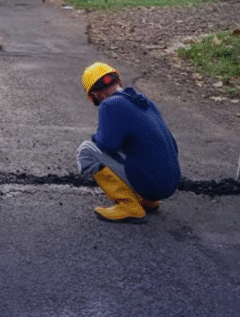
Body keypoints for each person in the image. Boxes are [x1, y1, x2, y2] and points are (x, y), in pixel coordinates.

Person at [76, 63, 181, 222]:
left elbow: (107, 145)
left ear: (97, 95)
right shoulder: (144, 101)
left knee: (86, 151)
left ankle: (129, 206)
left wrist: (96, 135)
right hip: (170, 183)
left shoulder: (109, 105)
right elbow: (172, 144)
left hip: (152, 184)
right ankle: (146, 200)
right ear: (118, 81)